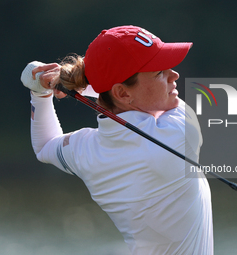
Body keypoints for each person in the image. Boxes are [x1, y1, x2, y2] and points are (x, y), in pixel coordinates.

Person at [21, 25, 213, 255]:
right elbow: (111, 95)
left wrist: (40, 94)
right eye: (159, 72)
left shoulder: (88, 151)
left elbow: (44, 146)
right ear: (122, 93)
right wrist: (76, 83)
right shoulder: (180, 133)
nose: (174, 75)